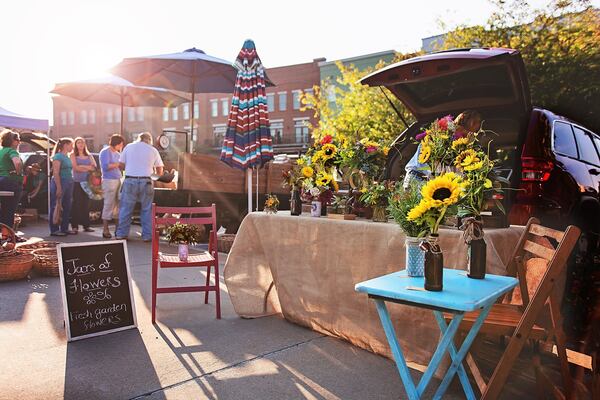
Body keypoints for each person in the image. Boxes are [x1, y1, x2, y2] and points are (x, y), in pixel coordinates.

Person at [403, 110, 482, 188]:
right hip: (416, 178)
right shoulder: (442, 133)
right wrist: (462, 173)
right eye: (471, 131)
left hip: (428, 183)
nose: (471, 135)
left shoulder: (456, 142)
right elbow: (436, 166)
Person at [115, 132, 163, 241]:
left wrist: (131, 166)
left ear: (139, 138)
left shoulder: (129, 147)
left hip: (130, 180)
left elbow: (120, 165)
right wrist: (154, 175)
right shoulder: (153, 150)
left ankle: (121, 234)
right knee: (146, 209)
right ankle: (147, 236)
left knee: (126, 208)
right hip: (146, 181)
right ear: (149, 140)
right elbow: (160, 170)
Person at [99, 134, 124, 239]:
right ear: (116, 144)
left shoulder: (118, 154)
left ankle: (118, 229)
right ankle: (105, 229)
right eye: (121, 144)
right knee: (108, 204)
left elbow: (121, 166)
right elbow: (105, 167)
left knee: (118, 205)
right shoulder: (105, 152)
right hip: (109, 180)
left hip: (118, 179)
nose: (121, 147)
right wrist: (118, 164)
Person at [49, 137, 75, 236]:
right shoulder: (58, 156)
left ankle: (64, 228)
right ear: (65, 145)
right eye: (71, 145)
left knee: (67, 205)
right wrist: (59, 187)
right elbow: (56, 172)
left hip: (69, 181)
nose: (72, 147)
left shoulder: (67, 157)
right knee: (56, 205)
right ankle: (54, 229)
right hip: (60, 182)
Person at [70, 137, 97, 233]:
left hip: (87, 183)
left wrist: (82, 166)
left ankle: (86, 226)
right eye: (78, 143)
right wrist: (87, 167)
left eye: (82, 143)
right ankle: (74, 227)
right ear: (75, 145)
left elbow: (94, 168)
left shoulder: (89, 155)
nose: (81, 144)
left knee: (86, 205)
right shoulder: (73, 155)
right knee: (76, 204)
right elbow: (75, 168)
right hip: (77, 182)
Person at [0, 129, 24, 228]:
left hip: (2, 180)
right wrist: (17, 172)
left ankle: (4, 235)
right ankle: (8, 236)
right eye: (17, 139)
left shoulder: (1, 151)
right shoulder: (11, 151)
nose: (19, 142)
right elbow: (17, 163)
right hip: (11, 182)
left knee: (3, 210)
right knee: (9, 210)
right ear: (12, 141)